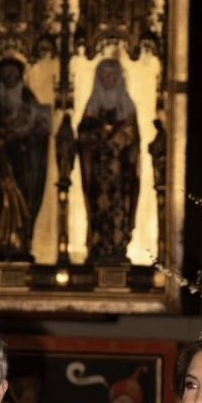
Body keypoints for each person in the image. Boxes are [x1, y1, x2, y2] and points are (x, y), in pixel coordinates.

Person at [0, 56, 51, 259]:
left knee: (23, 199)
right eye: (5, 74)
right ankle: (1, 241)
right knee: (4, 201)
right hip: (2, 163)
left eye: (13, 74)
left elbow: (41, 134)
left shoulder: (28, 100)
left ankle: (21, 240)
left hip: (24, 163)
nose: (9, 78)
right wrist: (1, 136)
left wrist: (32, 134)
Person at [77, 59, 140, 261]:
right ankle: (98, 244)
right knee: (98, 208)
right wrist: (97, 137)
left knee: (119, 207)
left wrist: (113, 139)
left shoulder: (127, 107)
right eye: (104, 76)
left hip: (119, 173)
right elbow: (84, 136)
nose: (108, 80)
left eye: (112, 75)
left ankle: (118, 244)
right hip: (98, 171)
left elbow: (132, 138)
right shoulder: (92, 107)